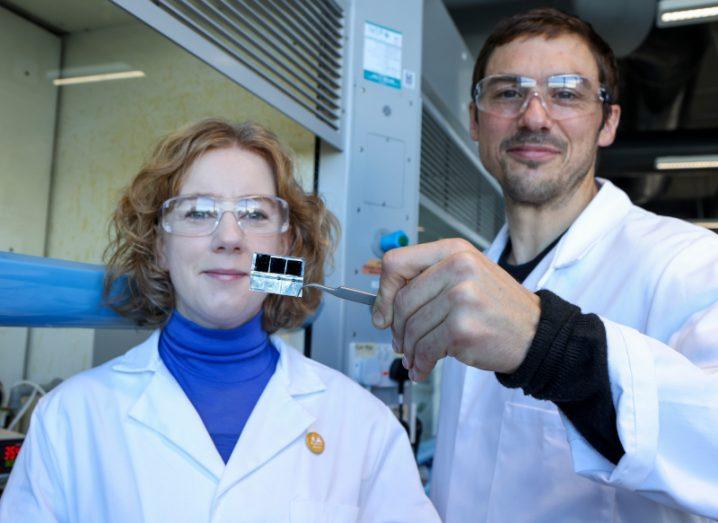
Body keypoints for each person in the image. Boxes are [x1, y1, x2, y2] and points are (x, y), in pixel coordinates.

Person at [371, 8, 718, 522]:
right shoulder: (468, 275)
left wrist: (547, 346)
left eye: (566, 92)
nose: (534, 116)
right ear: (474, 120)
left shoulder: (687, 264)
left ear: (609, 122)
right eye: (508, 92)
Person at [0, 119, 439, 523]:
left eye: (255, 214)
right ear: (158, 248)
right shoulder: (69, 418)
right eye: (197, 211)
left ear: (286, 248)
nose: (228, 237)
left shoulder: (363, 424)